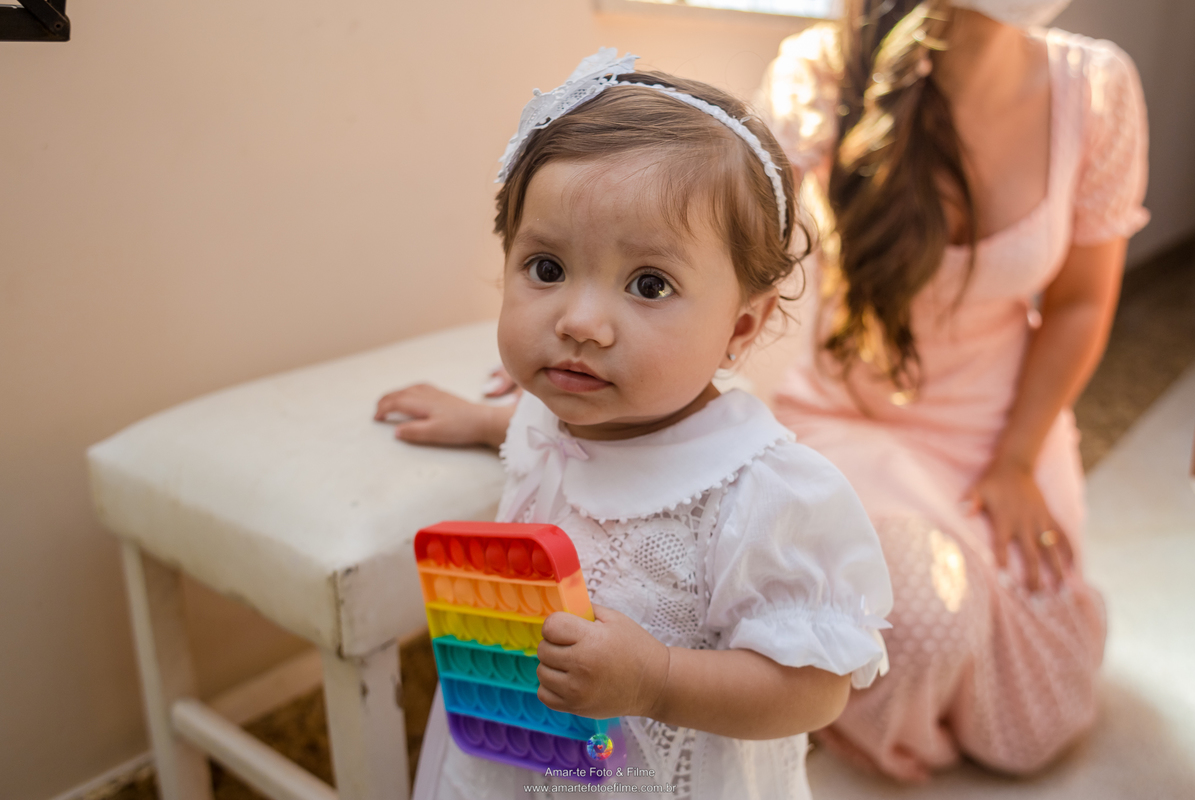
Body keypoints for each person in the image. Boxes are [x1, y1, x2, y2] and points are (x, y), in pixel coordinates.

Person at [384, 50, 893, 800]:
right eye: (547, 268)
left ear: (739, 327)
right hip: (516, 752)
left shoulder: (763, 494)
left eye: (649, 284)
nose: (580, 321)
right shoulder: (559, 410)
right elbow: (542, 435)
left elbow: (814, 692)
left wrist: (656, 681)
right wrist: (479, 419)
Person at [754, 0, 1148, 782]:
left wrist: (1017, 460)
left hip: (1004, 432)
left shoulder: (1096, 87)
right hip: (848, 421)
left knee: (1036, 723)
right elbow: (711, 242)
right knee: (930, 626)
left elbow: (1077, 303)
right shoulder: (821, 69)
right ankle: (812, 692)